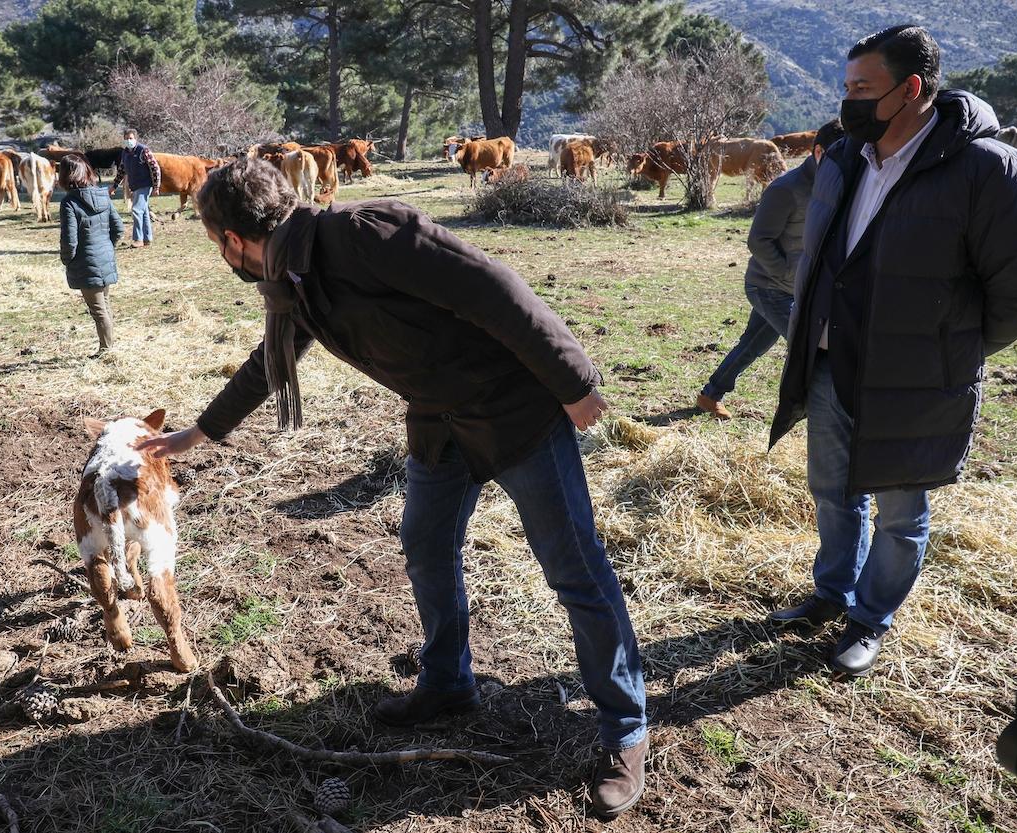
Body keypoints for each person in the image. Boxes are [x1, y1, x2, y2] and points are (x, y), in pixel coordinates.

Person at [136, 158, 650, 819]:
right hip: (439, 416)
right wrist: (198, 432)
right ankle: (447, 681)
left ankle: (625, 728)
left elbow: (493, 287)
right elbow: (272, 360)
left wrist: (574, 381)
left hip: (515, 408)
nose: (221, 256)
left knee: (573, 568)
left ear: (231, 240)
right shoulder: (295, 280)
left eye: (214, 243)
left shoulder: (362, 234)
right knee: (426, 543)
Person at [768, 25, 1017, 676]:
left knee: (901, 511)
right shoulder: (846, 153)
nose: (847, 100)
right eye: (846, 86)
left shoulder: (988, 170)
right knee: (831, 490)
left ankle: (870, 616)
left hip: (916, 375)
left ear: (910, 89)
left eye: (862, 88)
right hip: (832, 359)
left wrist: (950, 348)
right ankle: (831, 592)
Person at [696, 120, 845, 419]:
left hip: (797, 287)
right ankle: (821, 416)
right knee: (811, 347)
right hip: (768, 286)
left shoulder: (834, 185)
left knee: (754, 344)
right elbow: (758, 240)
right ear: (819, 153)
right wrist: (788, 276)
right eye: (840, 158)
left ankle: (710, 395)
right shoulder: (786, 189)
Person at [58, 154, 124, 357]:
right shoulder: (103, 195)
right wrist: (107, 247)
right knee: (104, 304)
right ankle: (109, 346)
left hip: (86, 263)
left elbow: (70, 241)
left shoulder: (69, 202)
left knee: (98, 309)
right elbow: (118, 228)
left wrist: (67, 260)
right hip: (104, 258)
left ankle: (106, 351)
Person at [109, 128, 161, 248]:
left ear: (135, 139)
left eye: (131, 138)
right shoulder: (125, 153)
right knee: (143, 212)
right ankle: (147, 239)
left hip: (145, 185)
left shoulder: (143, 150)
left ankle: (138, 239)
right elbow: (122, 170)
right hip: (135, 186)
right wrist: (114, 186)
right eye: (126, 139)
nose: (128, 141)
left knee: (137, 210)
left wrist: (156, 186)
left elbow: (155, 168)